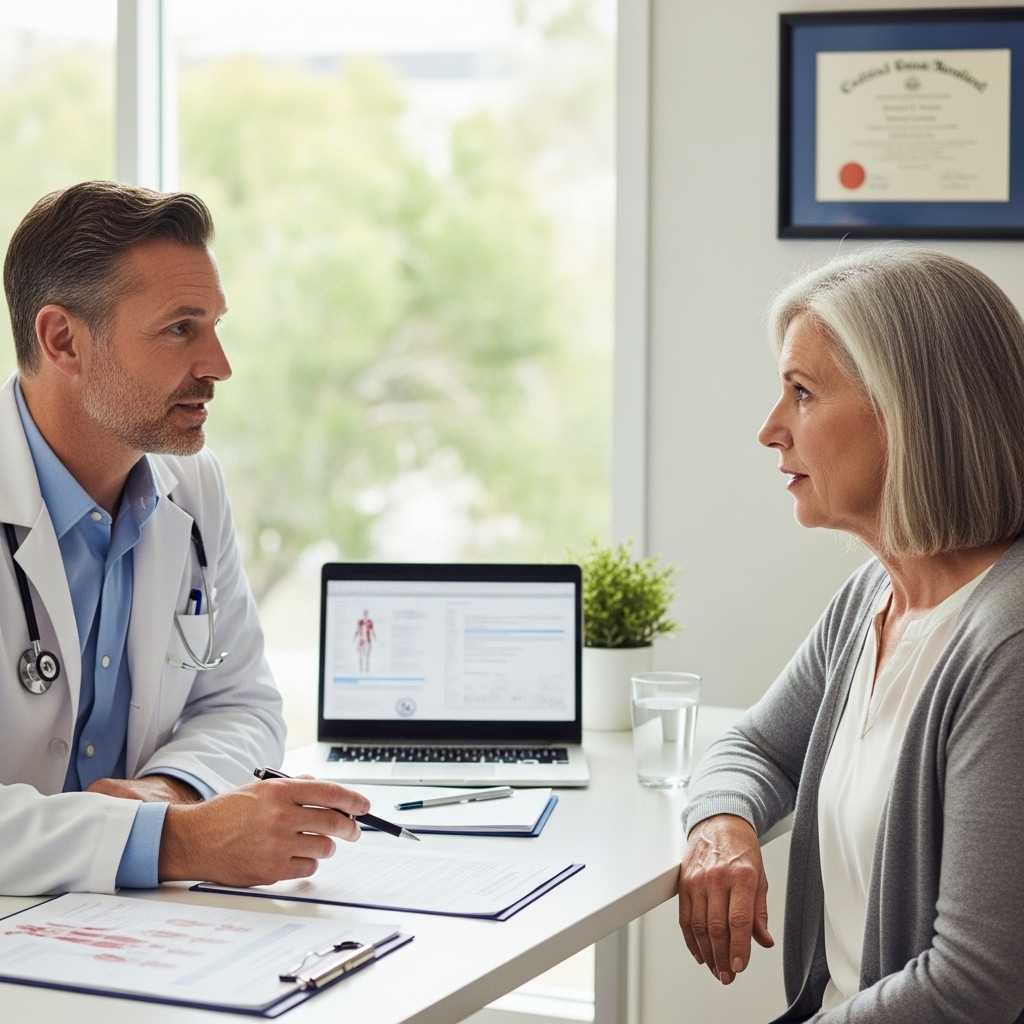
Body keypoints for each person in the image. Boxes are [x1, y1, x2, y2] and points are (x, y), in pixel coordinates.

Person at [677, 248, 1024, 1022]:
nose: (771, 430)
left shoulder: (1009, 642)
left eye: (801, 394)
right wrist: (722, 825)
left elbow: (974, 986)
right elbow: (755, 747)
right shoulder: (873, 596)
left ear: (910, 409)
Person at [0, 181, 369, 897]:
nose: (218, 365)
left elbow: (242, 703)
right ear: (62, 340)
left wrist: (170, 791)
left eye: (215, 325)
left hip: (130, 929)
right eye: (180, 329)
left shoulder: (192, 489)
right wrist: (177, 840)